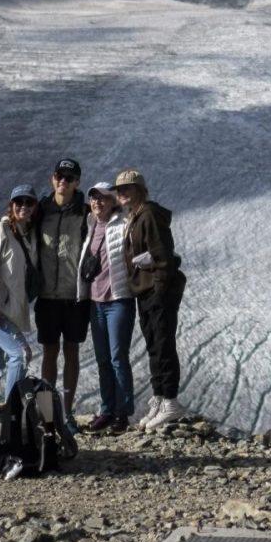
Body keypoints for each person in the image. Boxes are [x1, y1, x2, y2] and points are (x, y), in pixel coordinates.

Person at [113, 168, 185, 431]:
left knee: (163, 342)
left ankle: (170, 401)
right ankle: (159, 398)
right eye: (119, 189)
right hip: (144, 291)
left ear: (140, 190)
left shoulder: (150, 215)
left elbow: (162, 256)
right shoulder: (135, 217)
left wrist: (159, 289)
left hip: (157, 291)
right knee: (154, 344)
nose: (121, 193)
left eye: (127, 188)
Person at [30, 157, 91, 441]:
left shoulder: (86, 211)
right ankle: (45, 414)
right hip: (46, 295)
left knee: (72, 353)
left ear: (78, 182)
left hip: (74, 295)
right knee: (49, 354)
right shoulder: (40, 210)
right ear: (52, 178)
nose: (63, 182)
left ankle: (66, 413)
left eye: (69, 177)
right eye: (59, 176)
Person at [0, 185, 41, 410]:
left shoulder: (28, 236)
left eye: (28, 202)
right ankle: (11, 412)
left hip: (8, 309)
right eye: (18, 202)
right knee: (20, 354)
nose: (24, 206)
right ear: (11, 205)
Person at [79, 182, 135, 432]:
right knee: (103, 359)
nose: (97, 202)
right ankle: (106, 410)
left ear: (112, 201)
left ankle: (122, 414)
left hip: (118, 299)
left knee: (117, 357)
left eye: (103, 198)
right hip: (95, 301)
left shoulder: (123, 224)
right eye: (94, 198)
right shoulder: (90, 225)